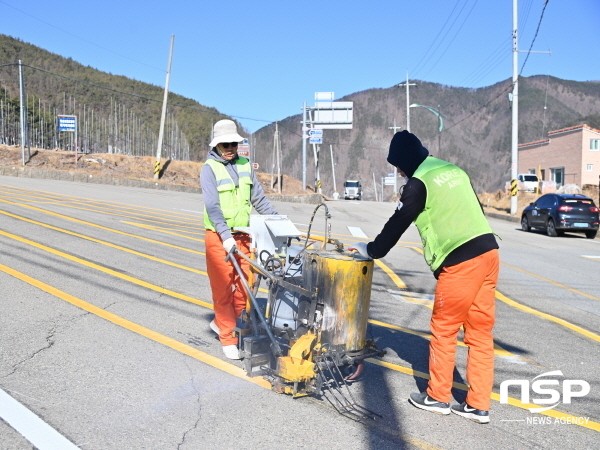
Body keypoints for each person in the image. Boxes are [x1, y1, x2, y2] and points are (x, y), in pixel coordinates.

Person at [352, 131, 499, 424]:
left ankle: (438, 397)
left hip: (459, 262)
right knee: (480, 333)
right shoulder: (452, 170)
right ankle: (478, 405)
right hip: (489, 252)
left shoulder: (419, 183)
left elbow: (398, 223)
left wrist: (372, 250)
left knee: (444, 330)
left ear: (406, 162)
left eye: (398, 166)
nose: (399, 172)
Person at [201, 119, 278, 360]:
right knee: (223, 290)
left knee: (244, 288)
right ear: (216, 145)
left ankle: (224, 325)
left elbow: (259, 200)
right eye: (225, 144)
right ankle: (227, 338)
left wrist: (278, 223)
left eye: (233, 143)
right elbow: (212, 207)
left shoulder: (245, 165)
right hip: (219, 237)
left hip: (244, 235)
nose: (230, 147)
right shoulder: (209, 168)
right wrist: (225, 236)